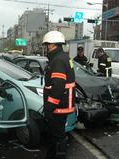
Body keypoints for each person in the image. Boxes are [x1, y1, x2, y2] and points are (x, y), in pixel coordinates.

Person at [42, 31, 75, 159]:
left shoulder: (58, 61)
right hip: (63, 104)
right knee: (55, 135)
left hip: (59, 106)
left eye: (47, 45)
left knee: (58, 136)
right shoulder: (64, 57)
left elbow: (58, 88)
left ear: (52, 45)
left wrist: (49, 107)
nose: (46, 47)